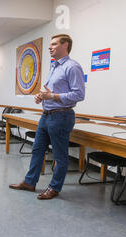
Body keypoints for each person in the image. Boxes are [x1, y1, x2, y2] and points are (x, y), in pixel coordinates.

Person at [9, 34, 85, 200]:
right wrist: (41, 96)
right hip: (46, 115)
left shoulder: (72, 67)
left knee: (60, 155)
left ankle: (54, 187)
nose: (50, 47)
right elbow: (49, 91)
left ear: (65, 45)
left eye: (54, 44)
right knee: (37, 149)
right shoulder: (54, 67)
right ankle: (30, 182)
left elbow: (79, 94)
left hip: (62, 116)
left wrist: (53, 96)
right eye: (50, 44)